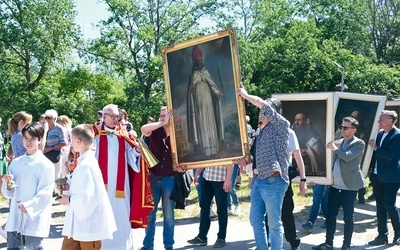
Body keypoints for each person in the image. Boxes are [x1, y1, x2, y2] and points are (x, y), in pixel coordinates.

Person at [92, 104, 152, 250]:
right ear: (103, 116)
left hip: (121, 187)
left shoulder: (123, 134)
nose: (115, 119)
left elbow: (130, 158)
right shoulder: (94, 134)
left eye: (117, 117)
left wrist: (137, 151)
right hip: (101, 185)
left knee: (121, 217)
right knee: (101, 217)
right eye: (111, 116)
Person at [237, 86, 290, 250]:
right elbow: (256, 158)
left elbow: (260, 103)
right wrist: (245, 161)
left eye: (264, 112)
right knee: (255, 220)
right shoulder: (259, 132)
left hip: (273, 181)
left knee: (274, 224)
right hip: (258, 181)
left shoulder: (281, 126)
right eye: (261, 113)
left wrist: (245, 96)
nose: (261, 114)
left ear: (273, 114)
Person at [58, 124, 117, 250]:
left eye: (71, 139)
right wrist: (68, 192)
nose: (70, 142)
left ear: (78, 141)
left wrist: (68, 200)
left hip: (88, 225)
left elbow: (90, 196)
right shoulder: (84, 162)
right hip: (75, 223)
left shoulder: (87, 164)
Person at [312, 117, 366, 250]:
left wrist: (335, 149)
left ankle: (346, 245)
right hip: (334, 186)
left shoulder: (359, 143)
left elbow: (347, 156)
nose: (342, 129)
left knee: (348, 218)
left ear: (354, 130)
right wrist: (317, 179)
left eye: (345, 128)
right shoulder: (338, 142)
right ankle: (328, 243)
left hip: (349, 187)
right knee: (330, 216)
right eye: (341, 127)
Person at [1, 122, 54, 249]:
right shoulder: (16, 162)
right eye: (25, 138)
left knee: (33, 247)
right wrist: (7, 184)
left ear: (40, 140)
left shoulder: (45, 164)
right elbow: (9, 192)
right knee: (13, 247)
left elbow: (46, 192)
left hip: (33, 216)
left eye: (32, 139)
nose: (28, 142)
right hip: (16, 213)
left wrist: (30, 206)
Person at [262, 127, 307, 250]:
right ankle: (266, 242)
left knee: (286, 212)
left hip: (283, 178)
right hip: (266, 178)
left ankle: (293, 242)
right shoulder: (261, 132)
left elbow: (298, 157)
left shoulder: (288, 132)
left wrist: (303, 180)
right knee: (266, 213)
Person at [140, 107, 176, 250]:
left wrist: (168, 127)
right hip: (153, 177)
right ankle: (147, 246)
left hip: (170, 178)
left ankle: (169, 245)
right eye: (161, 115)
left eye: (165, 115)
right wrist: (162, 123)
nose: (162, 117)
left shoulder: (176, 132)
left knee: (169, 215)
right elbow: (143, 129)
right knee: (150, 214)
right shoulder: (155, 130)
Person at [367, 110, 400, 246]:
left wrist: (375, 148)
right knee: (380, 206)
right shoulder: (380, 134)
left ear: (391, 121)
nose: (378, 122)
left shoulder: (397, 135)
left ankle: (398, 233)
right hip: (377, 176)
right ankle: (382, 236)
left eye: (381, 119)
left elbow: (391, 155)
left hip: (392, 177)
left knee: (389, 205)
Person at [187, 46, 224, 157]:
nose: (199, 62)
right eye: (197, 60)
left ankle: (213, 147)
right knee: (201, 122)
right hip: (198, 102)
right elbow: (190, 89)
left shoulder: (205, 71)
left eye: (200, 60)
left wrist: (217, 93)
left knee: (210, 121)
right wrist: (192, 91)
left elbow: (212, 85)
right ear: (194, 61)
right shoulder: (193, 75)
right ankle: (203, 149)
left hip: (208, 101)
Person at [187, 165, 233, 248]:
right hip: (206, 178)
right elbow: (204, 159)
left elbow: (230, 162)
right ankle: (202, 237)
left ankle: (221, 237)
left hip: (221, 178)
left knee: (221, 209)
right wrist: (197, 173)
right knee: (204, 207)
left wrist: (228, 179)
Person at [42, 109, 68, 179]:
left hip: (54, 155)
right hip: (44, 155)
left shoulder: (59, 128)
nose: (46, 120)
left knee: (56, 176)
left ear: (55, 118)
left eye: (49, 118)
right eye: (45, 118)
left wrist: (51, 148)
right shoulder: (43, 127)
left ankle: (57, 189)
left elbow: (64, 143)